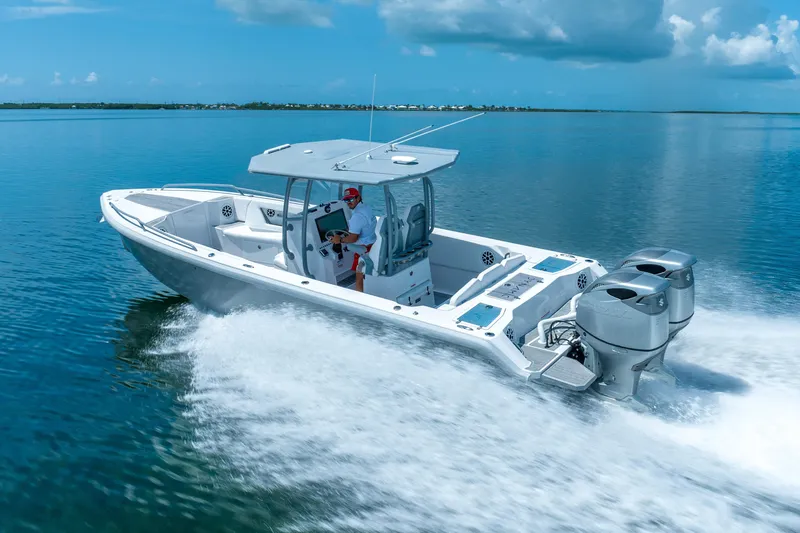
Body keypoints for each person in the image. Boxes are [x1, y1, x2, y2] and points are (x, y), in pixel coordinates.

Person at [329, 187, 377, 292]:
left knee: (359, 271)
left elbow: (353, 238)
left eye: (351, 199)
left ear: (358, 198)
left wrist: (339, 240)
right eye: (346, 200)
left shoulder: (357, 216)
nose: (348, 203)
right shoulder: (366, 208)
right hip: (372, 244)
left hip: (364, 248)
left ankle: (359, 295)